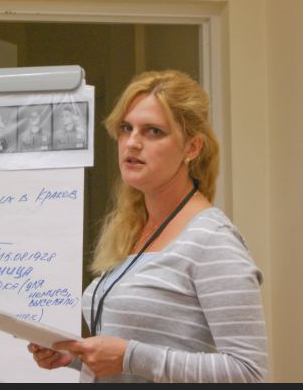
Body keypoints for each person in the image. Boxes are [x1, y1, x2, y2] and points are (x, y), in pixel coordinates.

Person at [27, 70, 268, 382]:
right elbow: (134, 356)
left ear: (192, 148)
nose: (132, 143)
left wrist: (129, 356)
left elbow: (249, 372)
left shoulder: (212, 239)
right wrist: (76, 357)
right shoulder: (133, 228)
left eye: (153, 131)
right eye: (126, 128)